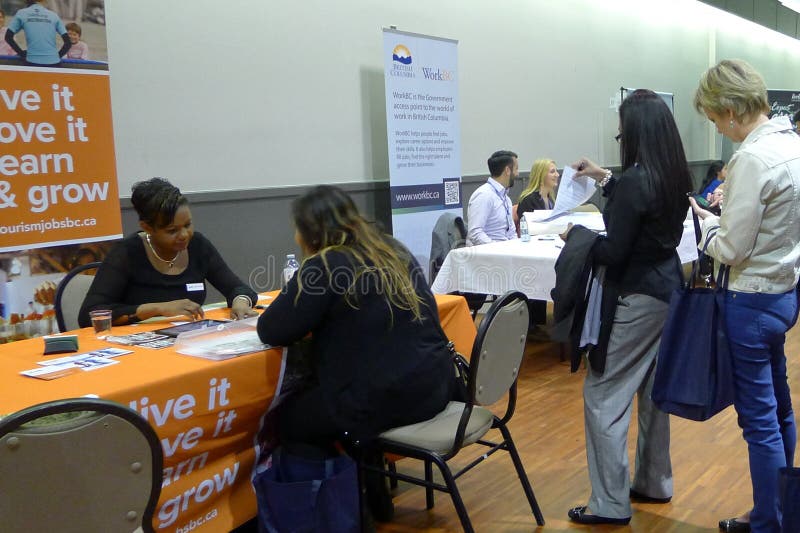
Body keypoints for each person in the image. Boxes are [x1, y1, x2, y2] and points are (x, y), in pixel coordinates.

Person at [256, 185, 455, 520]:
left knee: (292, 422)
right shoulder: (392, 249)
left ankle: (332, 515)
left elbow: (272, 329)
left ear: (310, 233)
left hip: (387, 399)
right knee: (344, 399)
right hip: (434, 386)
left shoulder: (326, 264)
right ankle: (371, 494)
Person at [564, 89, 693, 525]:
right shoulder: (673, 174)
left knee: (602, 394)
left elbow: (614, 251)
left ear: (635, 132)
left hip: (636, 296)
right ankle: (654, 481)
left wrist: (577, 238)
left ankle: (609, 503)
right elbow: (642, 208)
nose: (620, 137)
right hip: (668, 291)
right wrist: (604, 178)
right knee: (653, 392)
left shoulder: (638, 179)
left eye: (621, 132)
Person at [690, 59, 800, 533]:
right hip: (784, 293)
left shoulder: (752, 159)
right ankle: (778, 512)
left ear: (731, 110)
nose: (717, 128)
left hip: (750, 300)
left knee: (759, 421)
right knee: (781, 408)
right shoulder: (792, 145)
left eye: (715, 119)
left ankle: (768, 523)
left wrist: (706, 229)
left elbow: (732, 249)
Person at [78, 178, 257, 327]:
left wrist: (240, 301)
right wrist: (157, 309)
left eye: (188, 225)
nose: (184, 235)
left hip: (186, 339)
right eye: (172, 231)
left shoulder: (198, 246)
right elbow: (89, 314)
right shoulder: (126, 253)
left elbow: (238, 288)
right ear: (147, 228)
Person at [466, 150, 518, 246]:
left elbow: (511, 233)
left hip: (505, 251)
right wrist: (496, 248)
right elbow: (475, 233)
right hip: (488, 252)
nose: (517, 174)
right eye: (516, 169)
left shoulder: (506, 199)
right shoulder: (484, 195)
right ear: (507, 170)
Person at [4, 0, 70, 67]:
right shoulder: (54, 15)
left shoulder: (22, 13)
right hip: (54, 62)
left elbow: (8, 37)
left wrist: (21, 53)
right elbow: (68, 42)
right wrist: (57, 56)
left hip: (31, 61)